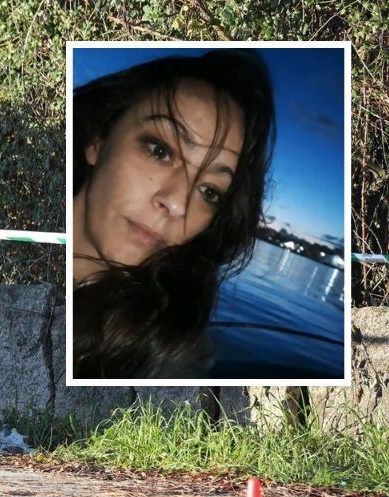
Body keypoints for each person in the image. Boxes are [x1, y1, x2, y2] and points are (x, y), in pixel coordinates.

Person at [72, 50, 275, 379]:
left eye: (209, 191)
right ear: (98, 138)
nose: (179, 204)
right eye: (160, 150)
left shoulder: (167, 356)